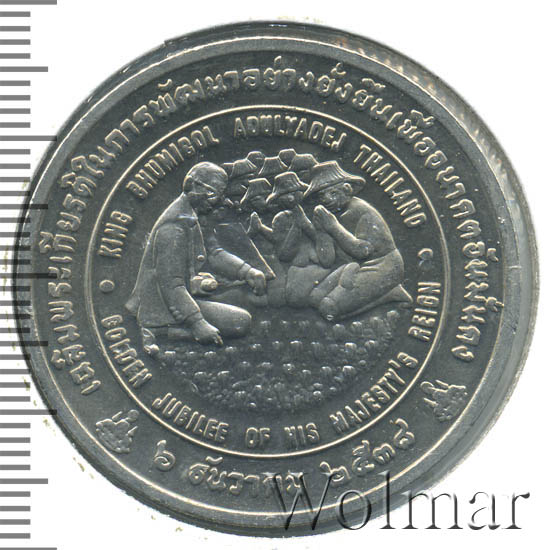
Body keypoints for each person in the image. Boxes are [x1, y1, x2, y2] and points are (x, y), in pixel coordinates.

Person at [125, 162, 267, 351]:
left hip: (184, 292)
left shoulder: (192, 216)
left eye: (218, 194)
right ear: (190, 184)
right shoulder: (174, 227)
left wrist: (247, 271)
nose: (215, 200)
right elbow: (171, 284)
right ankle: (158, 330)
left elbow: (214, 253)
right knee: (241, 322)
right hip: (160, 304)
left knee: (240, 299)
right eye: (210, 192)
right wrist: (197, 323)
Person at [303, 161, 412, 320]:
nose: (326, 199)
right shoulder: (331, 215)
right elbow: (327, 260)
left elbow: (363, 251)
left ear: (346, 189)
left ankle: (391, 294)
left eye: (332, 193)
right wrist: (321, 231)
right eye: (321, 196)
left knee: (328, 308)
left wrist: (332, 227)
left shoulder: (360, 210)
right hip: (354, 266)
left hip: (384, 266)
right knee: (314, 298)